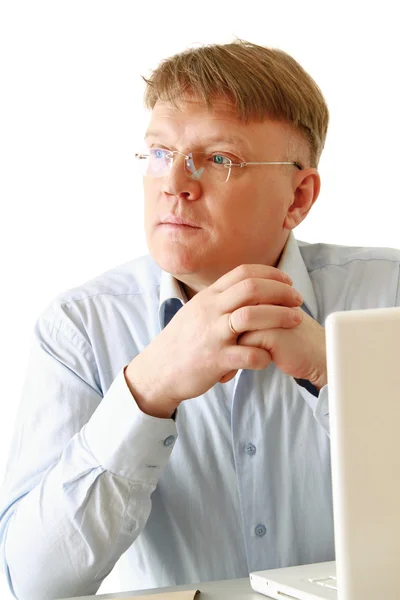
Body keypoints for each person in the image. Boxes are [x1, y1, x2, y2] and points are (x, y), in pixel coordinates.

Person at [0, 39, 399, 600]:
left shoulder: (390, 295)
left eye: (219, 159)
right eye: (160, 152)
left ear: (298, 197)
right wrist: (146, 389)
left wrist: (343, 375)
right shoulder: (79, 330)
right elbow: (31, 583)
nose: (174, 183)